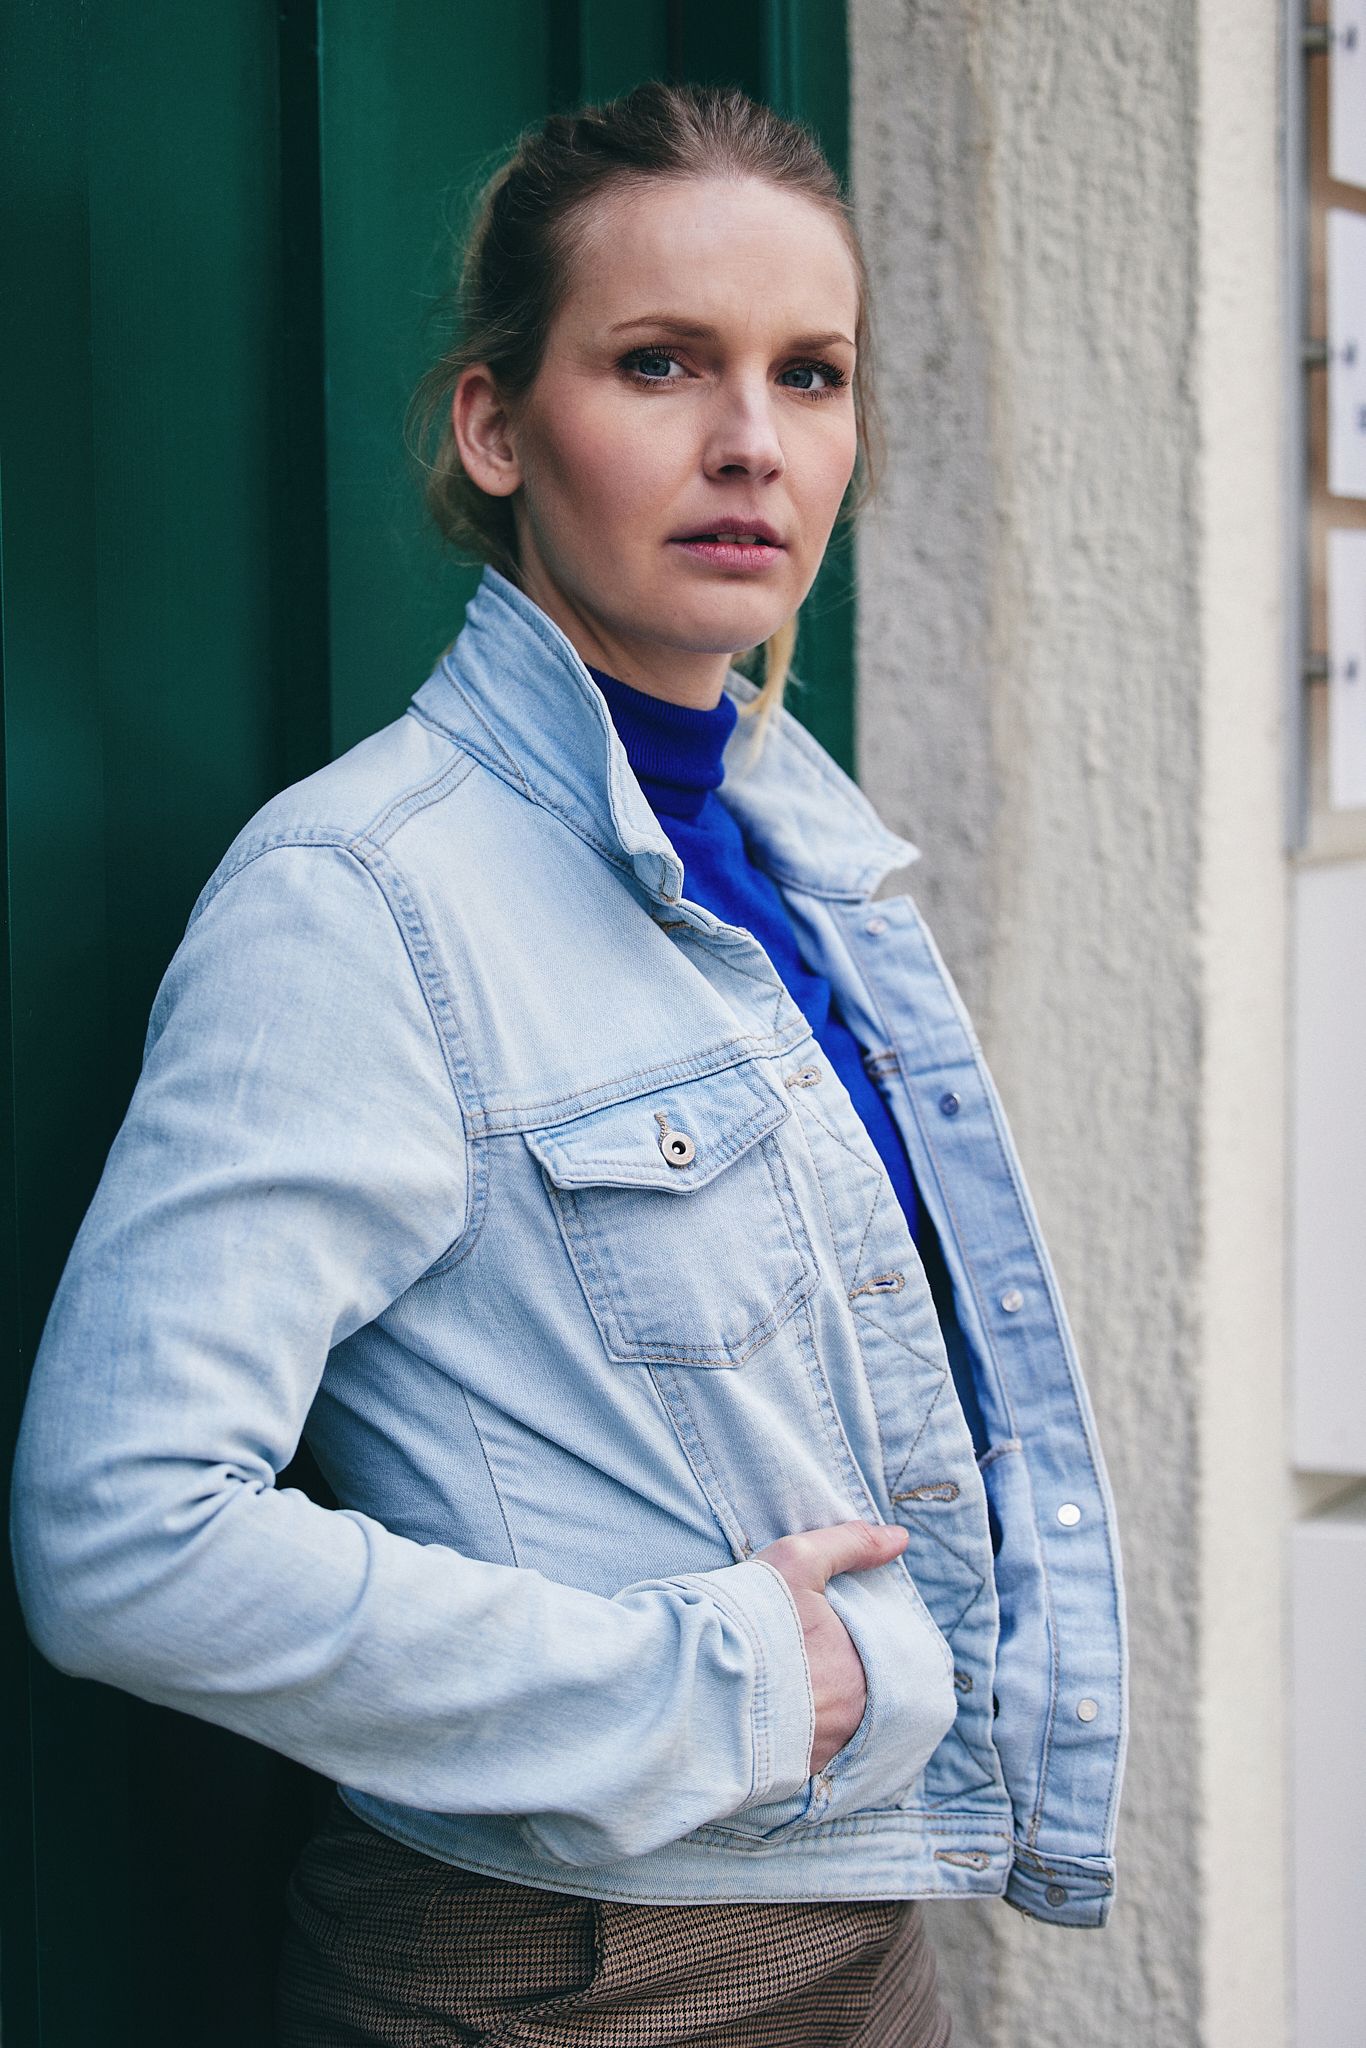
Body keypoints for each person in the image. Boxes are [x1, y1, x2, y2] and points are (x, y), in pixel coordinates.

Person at [9, 81, 1127, 2047]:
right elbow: (123, 1536)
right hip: (563, 1974)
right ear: (495, 424)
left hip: (862, 1929)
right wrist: (723, 1683)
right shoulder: (362, 896)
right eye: (658, 362)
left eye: (808, 374)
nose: (748, 441)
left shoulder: (809, 871)